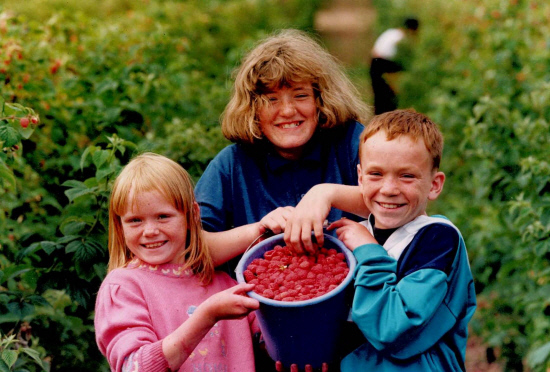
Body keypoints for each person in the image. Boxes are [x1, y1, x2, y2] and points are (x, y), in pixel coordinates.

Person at [285, 109, 477, 371]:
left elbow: (391, 329)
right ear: (360, 178)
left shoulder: (438, 239)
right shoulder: (353, 237)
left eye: (407, 176)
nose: (389, 189)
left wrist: (370, 252)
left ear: (434, 184)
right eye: (376, 174)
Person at [194, 28, 371, 272]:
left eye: (300, 95)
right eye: (271, 100)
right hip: (261, 306)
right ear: (253, 109)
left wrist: (326, 194)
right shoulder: (231, 165)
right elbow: (193, 250)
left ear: (320, 100)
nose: (287, 111)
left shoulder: (351, 141)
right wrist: (257, 230)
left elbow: (402, 201)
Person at [94, 152, 289, 372]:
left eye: (163, 216)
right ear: (120, 226)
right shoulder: (123, 287)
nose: (150, 231)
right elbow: (133, 367)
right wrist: (207, 316)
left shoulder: (223, 282)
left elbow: (277, 347)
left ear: (192, 215)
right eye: (135, 220)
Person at [370, 18, 419, 115]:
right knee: (387, 98)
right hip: (382, 65)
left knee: (380, 97)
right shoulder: (401, 40)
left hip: (375, 63)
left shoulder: (392, 32)